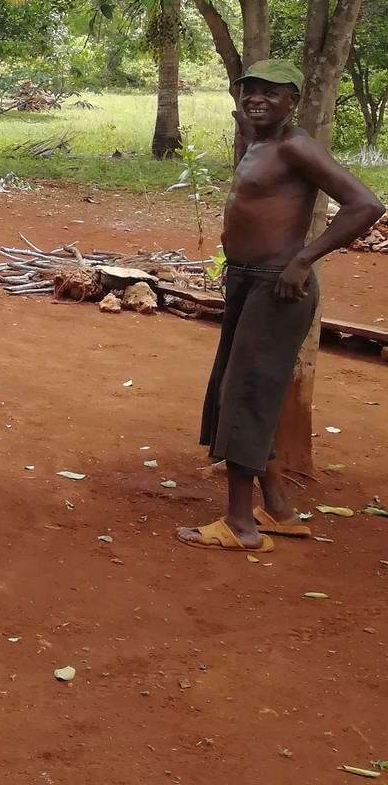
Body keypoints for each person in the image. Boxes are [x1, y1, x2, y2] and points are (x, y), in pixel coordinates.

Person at [177, 59, 385, 553]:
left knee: (244, 396)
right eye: (250, 91)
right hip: (249, 282)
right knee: (240, 390)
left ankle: (240, 525)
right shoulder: (259, 142)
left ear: (293, 101)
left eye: (272, 93)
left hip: (279, 286)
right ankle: (278, 509)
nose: (258, 99)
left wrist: (303, 259)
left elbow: (366, 205)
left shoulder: (296, 145)